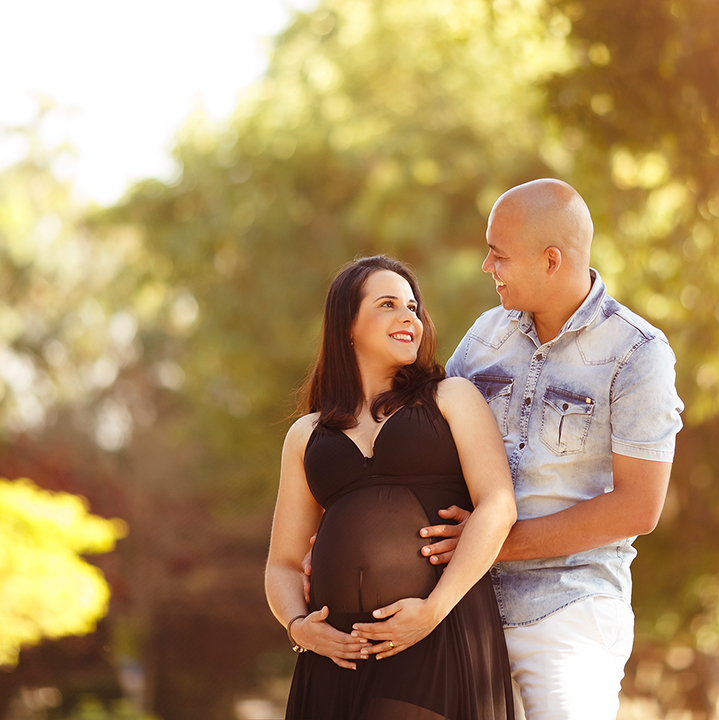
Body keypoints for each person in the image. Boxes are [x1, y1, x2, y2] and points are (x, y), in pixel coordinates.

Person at [355, 179, 684, 719]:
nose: (487, 266)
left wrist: (490, 543)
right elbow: (421, 443)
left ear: (551, 260)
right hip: (465, 602)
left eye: (499, 254)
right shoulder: (486, 335)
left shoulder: (637, 353)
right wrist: (347, 527)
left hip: (569, 607)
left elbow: (638, 508)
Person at [265, 255, 518, 719]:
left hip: (434, 636)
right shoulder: (307, 434)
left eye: (413, 307)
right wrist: (299, 628)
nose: (409, 318)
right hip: (334, 655)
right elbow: (282, 563)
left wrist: (433, 611)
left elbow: (498, 505)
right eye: (388, 304)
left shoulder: (451, 397)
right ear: (348, 325)